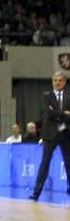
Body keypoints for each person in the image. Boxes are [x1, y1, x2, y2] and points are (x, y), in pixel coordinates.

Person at [29, 71, 70, 201]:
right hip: (50, 134)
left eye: (60, 80)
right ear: (52, 82)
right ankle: (36, 192)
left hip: (66, 133)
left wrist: (56, 112)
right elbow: (48, 114)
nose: (58, 83)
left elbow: (54, 113)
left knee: (69, 163)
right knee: (44, 163)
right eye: (55, 80)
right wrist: (65, 113)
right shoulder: (46, 96)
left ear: (64, 82)